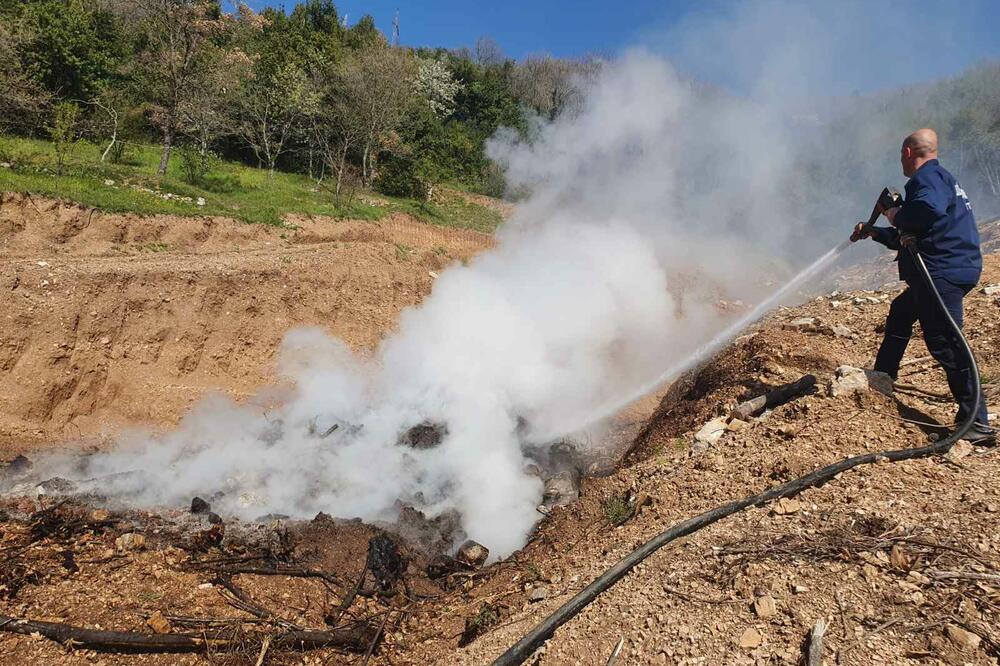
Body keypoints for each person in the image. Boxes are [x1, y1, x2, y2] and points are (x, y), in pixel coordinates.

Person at [852, 128, 995, 445]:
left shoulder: (927, 179)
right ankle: (883, 377)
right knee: (901, 312)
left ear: (907, 153)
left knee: (945, 341)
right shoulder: (941, 180)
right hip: (946, 266)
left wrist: (892, 212)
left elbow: (921, 213)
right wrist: (874, 232)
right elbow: (912, 236)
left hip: (942, 270)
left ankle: (978, 422)